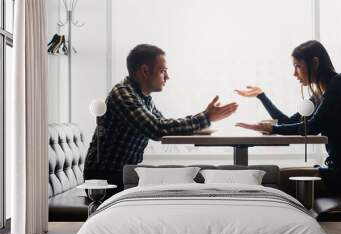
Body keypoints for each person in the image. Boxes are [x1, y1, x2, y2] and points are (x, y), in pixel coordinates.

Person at [235, 40, 341, 197]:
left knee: (282, 179)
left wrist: (273, 128)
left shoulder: (340, 84)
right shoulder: (321, 93)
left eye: (298, 66)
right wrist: (261, 96)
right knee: (279, 176)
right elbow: (289, 122)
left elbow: (312, 127)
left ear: (314, 63)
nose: (294, 73)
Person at [84, 44, 238, 195]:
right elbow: (157, 129)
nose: (167, 77)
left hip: (122, 173)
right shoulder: (123, 94)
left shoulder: (143, 97)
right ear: (145, 71)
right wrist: (205, 117)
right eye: (162, 71)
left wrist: (201, 124)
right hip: (103, 179)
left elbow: (164, 125)